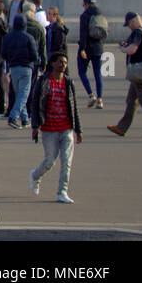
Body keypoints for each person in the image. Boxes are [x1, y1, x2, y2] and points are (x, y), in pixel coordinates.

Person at [29, 51, 82, 204]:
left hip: (66, 128)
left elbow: (74, 107)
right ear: (52, 63)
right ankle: (35, 176)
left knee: (66, 162)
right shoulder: (44, 81)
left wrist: (78, 130)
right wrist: (35, 126)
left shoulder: (68, 82)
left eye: (65, 63)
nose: (62, 65)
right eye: (59, 62)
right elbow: (36, 103)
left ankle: (62, 192)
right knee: (50, 161)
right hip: (49, 129)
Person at [106, 12, 142, 138]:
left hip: (139, 73)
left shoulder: (138, 32)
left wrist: (123, 49)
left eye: (129, 24)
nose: (129, 27)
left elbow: (132, 49)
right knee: (131, 100)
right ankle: (121, 127)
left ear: (133, 22)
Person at [2, 14, 39, 129]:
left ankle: (25, 119)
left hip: (13, 68)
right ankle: (13, 117)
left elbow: (3, 54)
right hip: (26, 67)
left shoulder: (8, 37)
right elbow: (34, 55)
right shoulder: (28, 37)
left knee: (19, 94)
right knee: (23, 95)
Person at [77, 0, 106, 109]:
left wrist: (82, 49)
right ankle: (100, 100)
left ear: (87, 4)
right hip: (98, 47)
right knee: (97, 74)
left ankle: (91, 95)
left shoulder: (85, 16)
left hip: (87, 47)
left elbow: (83, 34)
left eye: (84, 5)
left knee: (82, 72)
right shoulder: (100, 14)